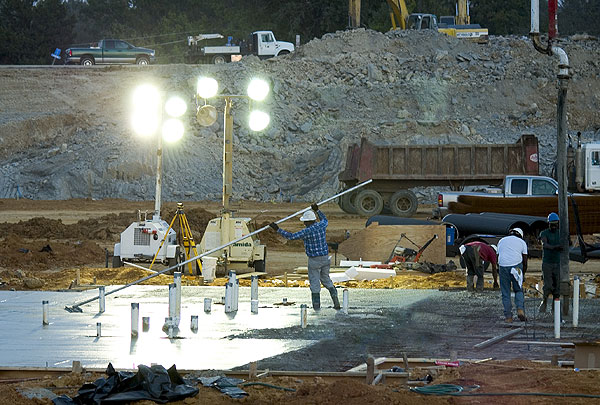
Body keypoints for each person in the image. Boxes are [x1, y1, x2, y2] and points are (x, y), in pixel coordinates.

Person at [269, 203, 340, 310]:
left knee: (315, 283)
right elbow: (325, 220)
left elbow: (291, 237)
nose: (304, 224)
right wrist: (318, 210)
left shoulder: (307, 231)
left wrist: (278, 229)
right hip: (325, 258)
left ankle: (316, 307)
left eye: (304, 222)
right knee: (326, 279)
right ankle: (336, 302)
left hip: (314, 260)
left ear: (307, 221)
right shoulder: (321, 225)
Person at [497, 227, 528, 322]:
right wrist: (523, 274)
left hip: (503, 266)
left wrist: (499, 269)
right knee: (518, 290)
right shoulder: (522, 242)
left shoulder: (501, 240)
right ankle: (520, 310)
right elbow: (525, 261)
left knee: (505, 293)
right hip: (516, 266)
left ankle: (508, 317)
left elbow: (498, 256)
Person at [538, 212, 562, 312]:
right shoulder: (544, 233)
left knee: (557, 286)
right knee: (548, 285)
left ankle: (555, 307)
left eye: (555, 224)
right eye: (552, 224)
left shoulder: (560, 233)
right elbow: (545, 245)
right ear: (549, 224)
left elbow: (566, 242)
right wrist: (556, 247)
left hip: (557, 262)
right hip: (547, 263)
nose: (554, 226)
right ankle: (544, 301)